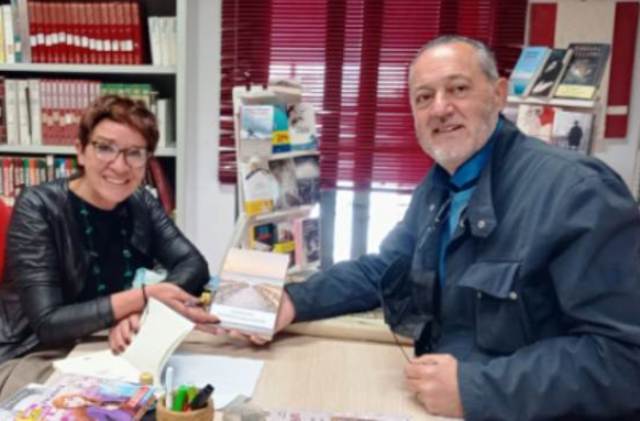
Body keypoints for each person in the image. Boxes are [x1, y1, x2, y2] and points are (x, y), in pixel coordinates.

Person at [247, 36, 640, 420]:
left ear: (498, 94)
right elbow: (384, 269)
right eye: (423, 97)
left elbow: (625, 360)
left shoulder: (577, 192)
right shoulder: (439, 186)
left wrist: (477, 388)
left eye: (458, 88)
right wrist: (294, 301)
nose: (440, 108)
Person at [0, 95, 217, 398]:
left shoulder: (141, 201)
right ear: (80, 151)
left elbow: (194, 265)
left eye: (134, 153)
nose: (119, 165)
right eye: (105, 148)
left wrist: (138, 310)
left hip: (105, 348)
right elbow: (48, 323)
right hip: (34, 355)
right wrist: (141, 298)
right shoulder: (38, 207)